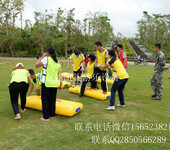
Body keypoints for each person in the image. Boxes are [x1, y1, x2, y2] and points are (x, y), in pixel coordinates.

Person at [35, 46, 63, 121]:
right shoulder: (57, 62)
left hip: (46, 83)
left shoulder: (46, 59)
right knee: (52, 99)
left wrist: (43, 56)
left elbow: (36, 65)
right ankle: (52, 114)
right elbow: (60, 74)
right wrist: (60, 84)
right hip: (54, 83)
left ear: (48, 53)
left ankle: (46, 117)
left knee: (45, 100)